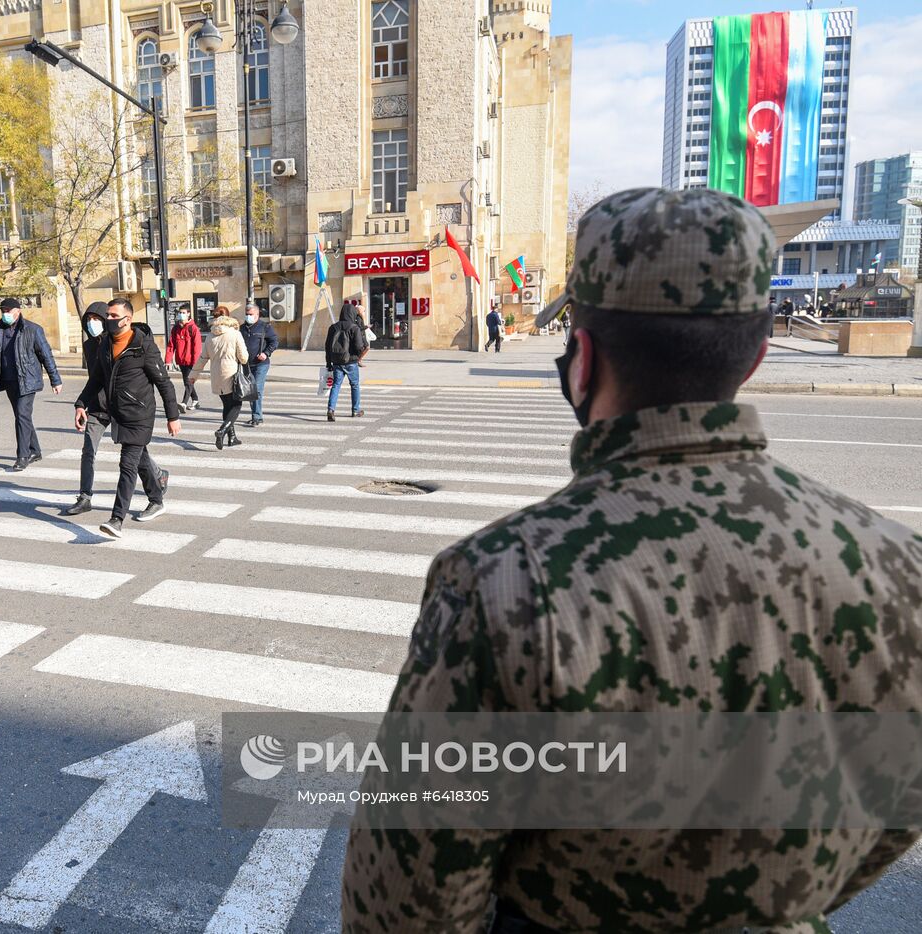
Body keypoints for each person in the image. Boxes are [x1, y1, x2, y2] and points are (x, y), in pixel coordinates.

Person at [341, 187, 922, 933]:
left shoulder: (505, 581)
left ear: (581, 359)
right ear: (754, 358)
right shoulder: (900, 568)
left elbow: (406, 901)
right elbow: (893, 812)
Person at [76, 298, 180, 537]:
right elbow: (97, 379)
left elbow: (164, 383)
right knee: (141, 458)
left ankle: (116, 519)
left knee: (127, 464)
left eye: (113, 316)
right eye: (108, 316)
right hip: (118, 412)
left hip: (140, 413)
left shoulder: (143, 346)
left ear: (127, 319)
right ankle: (156, 498)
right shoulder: (104, 346)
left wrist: (172, 416)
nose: (108, 320)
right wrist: (81, 403)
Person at [0, 297, 62, 470]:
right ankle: (35, 450)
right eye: (3, 311)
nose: (5, 314)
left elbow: (46, 355)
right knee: (22, 416)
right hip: (9, 381)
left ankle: (22, 456)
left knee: (22, 415)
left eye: (8, 311)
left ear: (18, 311)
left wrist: (56, 380)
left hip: (28, 380)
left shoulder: (32, 329)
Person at [191, 303, 249, 448]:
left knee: (226, 406)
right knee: (236, 405)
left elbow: (203, 357)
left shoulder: (210, 335)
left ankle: (232, 438)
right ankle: (222, 430)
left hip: (216, 375)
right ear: (228, 316)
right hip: (231, 374)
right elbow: (243, 358)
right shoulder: (235, 333)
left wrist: (194, 374)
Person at [324, 299, 368, 421]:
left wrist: (328, 363)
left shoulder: (333, 327)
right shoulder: (354, 327)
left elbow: (327, 347)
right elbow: (360, 346)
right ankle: (355, 410)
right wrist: (358, 357)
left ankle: (330, 409)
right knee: (354, 385)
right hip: (351, 361)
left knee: (336, 385)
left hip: (337, 361)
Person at [238, 301, 278, 426]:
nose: (248, 316)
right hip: (247, 364)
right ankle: (255, 414)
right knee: (250, 390)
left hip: (261, 364)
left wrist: (266, 353)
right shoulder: (242, 328)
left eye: (250, 314)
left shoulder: (265, 327)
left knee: (257, 389)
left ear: (257, 314)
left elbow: (274, 341)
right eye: (246, 314)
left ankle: (257, 416)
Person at [165, 306, 203, 412]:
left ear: (188, 314)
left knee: (188, 382)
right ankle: (195, 400)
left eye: (183, 312)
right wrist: (168, 360)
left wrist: (196, 364)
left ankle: (184, 403)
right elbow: (171, 345)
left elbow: (197, 347)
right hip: (181, 361)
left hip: (191, 361)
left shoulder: (193, 328)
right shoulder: (176, 328)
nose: (181, 314)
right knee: (187, 381)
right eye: (180, 312)